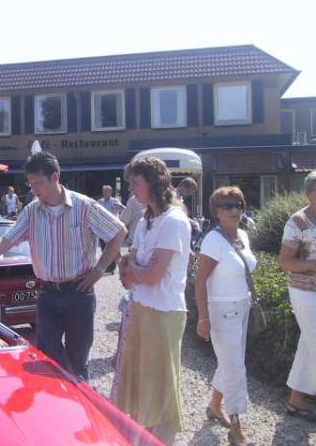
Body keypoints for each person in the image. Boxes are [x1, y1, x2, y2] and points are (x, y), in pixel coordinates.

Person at [0, 152, 126, 380]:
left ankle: (78, 403)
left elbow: (119, 232)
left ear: (55, 177)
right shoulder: (32, 211)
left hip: (80, 294)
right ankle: (69, 393)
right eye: (30, 184)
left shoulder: (84, 206)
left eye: (38, 183)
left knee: (78, 356)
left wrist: (100, 270)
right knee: (47, 355)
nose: (34, 189)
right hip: (48, 294)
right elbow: (5, 242)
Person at [110, 157, 190, 446]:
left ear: (154, 183)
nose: (131, 188)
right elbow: (130, 259)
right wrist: (131, 268)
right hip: (141, 307)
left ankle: (161, 441)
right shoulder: (147, 220)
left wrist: (134, 269)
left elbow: (155, 275)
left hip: (164, 311)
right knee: (140, 380)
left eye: (135, 182)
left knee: (161, 384)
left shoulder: (174, 221)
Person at [195, 186, 256, 445]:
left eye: (238, 205)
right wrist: (203, 317)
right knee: (235, 367)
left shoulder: (242, 234)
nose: (234, 210)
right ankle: (236, 425)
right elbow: (200, 281)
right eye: (227, 206)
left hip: (243, 307)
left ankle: (214, 406)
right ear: (217, 211)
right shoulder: (213, 240)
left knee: (230, 362)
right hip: (221, 311)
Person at [279, 170, 316, 423]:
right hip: (304, 293)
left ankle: (295, 401)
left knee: (308, 347)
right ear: (311, 194)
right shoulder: (297, 221)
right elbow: (285, 262)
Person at [97, 185, 125, 273]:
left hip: (113, 228)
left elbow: (124, 209)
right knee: (104, 248)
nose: (104, 193)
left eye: (106, 191)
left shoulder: (115, 201)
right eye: (103, 191)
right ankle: (108, 267)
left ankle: (113, 267)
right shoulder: (100, 202)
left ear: (110, 192)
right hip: (103, 228)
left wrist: (120, 207)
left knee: (113, 248)